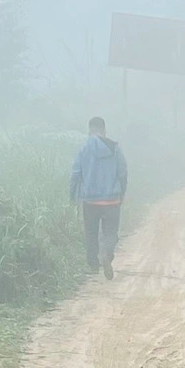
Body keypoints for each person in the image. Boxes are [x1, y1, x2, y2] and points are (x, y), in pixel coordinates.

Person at [68, 115, 128, 280]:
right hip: (112, 199)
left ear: (89, 130)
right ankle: (107, 254)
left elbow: (75, 174)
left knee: (91, 233)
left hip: (90, 200)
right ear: (104, 130)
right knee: (111, 233)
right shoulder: (114, 148)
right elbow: (123, 173)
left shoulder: (84, 149)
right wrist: (121, 193)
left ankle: (93, 265)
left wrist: (72, 196)